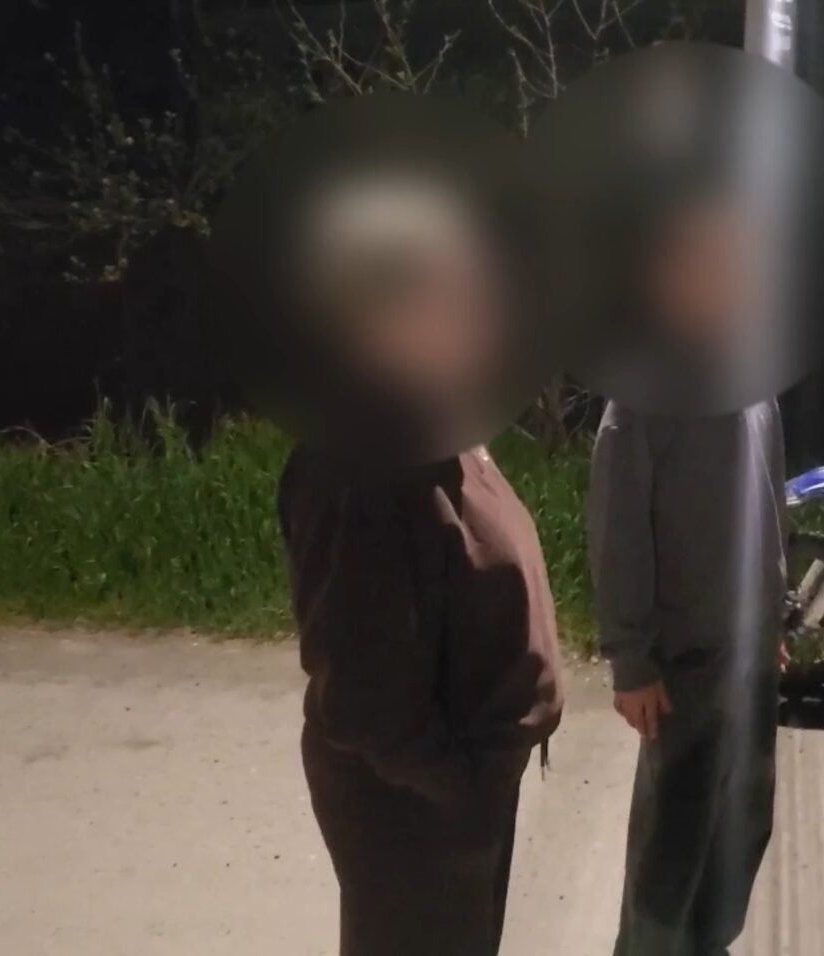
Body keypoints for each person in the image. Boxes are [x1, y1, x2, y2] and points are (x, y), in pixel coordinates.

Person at [276, 172, 564, 956]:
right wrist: (461, 793)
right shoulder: (359, 464)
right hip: (417, 810)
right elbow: (365, 694)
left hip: (460, 790)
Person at [588, 194, 788, 956]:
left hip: (750, 658)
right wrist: (631, 661)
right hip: (684, 666)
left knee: (740, 828)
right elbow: (618, 533)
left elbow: (767, 505)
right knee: (670, 853)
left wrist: (771, 620)